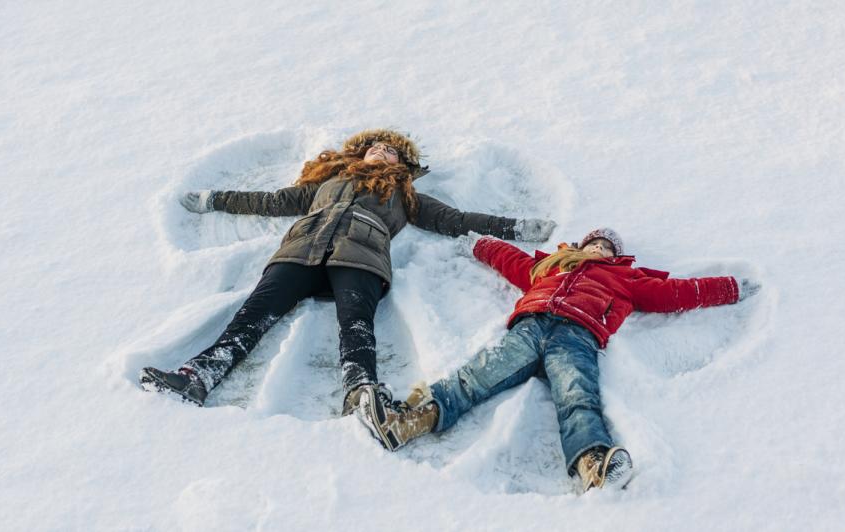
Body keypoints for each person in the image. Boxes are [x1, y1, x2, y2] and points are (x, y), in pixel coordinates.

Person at [139, 129, 558, 428]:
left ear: (403, 165)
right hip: (301, 248)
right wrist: (214, 199)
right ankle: (198, 376)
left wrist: (517, 227)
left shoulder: (404, 194)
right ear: (361, 152)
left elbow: (456, 220)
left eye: (392, 151)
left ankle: (361, 390)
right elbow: (269, 202)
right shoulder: (326, 182)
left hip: (362, 254)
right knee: (254, 313)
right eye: (376, 146)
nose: (382, 151)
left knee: (356, 323)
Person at [358, 227, 760, 491]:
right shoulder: (549, 267)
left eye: (607, 248)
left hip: (578, 336)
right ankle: (407, 421)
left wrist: (729, 287)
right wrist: (478, 244)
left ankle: (593, 464)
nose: (599, 249)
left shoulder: (629, 280)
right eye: (595, 244)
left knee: (576, 395)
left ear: (616, 257)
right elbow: (509, 259)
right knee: (477, 375)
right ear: (581, 246)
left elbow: (678, 293)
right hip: (530, 327)